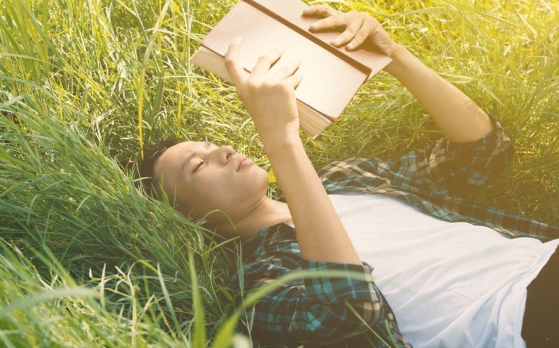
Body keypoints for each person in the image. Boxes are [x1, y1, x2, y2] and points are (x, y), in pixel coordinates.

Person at [137, 5, 559, 347]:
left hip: (544, 259)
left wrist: (395, 58)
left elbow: (485, 153)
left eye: (211, 145)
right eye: (198, 165)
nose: (223, 151)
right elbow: (349, 311)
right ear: (192, 218)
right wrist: (282, 140)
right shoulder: (259, 284)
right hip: (514, 321)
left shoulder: (346, 178)